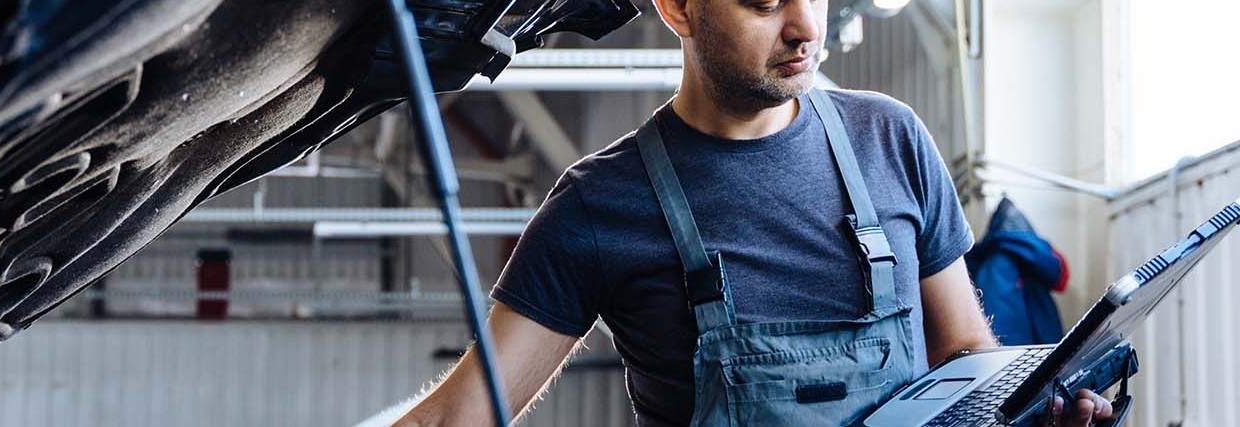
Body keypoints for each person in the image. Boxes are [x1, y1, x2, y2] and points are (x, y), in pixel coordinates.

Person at [391, 0, 1115, 425]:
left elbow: (964, 357)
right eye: (765, 1)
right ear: (678, 7)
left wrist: (1033, 408)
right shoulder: (599, 204)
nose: (804, 26)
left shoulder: (890, 140)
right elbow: (462, 416)